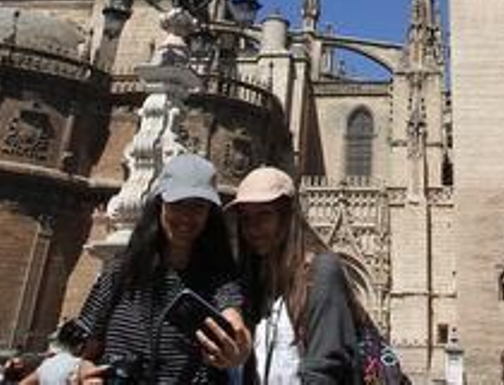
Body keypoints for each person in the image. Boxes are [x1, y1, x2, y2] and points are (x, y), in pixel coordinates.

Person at [74, 154, 251, 385]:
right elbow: (86, 352)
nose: (187, 217)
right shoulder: (120, 272)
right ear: (160, 205)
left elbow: (235, 324)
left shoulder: (218, 279)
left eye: (198, 207)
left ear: (209, 214)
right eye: (178, 204)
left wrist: (238, 349)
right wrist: (84, 373)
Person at [227, 166, 361, 385]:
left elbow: (325, 369)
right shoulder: (257, 280)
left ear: (287, 215)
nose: (253, 228)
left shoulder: (320, 271)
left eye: (264, 215)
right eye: (246, 219)